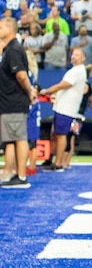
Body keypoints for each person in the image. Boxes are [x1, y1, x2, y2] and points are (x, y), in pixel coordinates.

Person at [0, 17, 35, 188]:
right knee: (11, 139)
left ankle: (21, 176)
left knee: (19, 138)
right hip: (8, 103)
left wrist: (30, 92)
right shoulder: (8, 49)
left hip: (14, 101)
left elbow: (21, 75)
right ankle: (11, 174)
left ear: (10, 29)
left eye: (0, 27)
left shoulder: (13, 49)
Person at [42, 48, 88, 172]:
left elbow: (64, 84)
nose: (74, 56)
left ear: (83, 58)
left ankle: (58, 163)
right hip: (63, 107)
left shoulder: (77, 71)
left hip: (66, 108)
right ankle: (56, 161)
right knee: (58, 134)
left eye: (77, 55)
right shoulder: (75, 70)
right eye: (73, 54)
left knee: (62, 135)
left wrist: (48, 90)